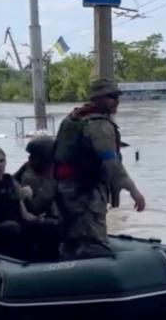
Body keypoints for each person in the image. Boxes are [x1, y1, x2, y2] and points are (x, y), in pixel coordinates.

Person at [53, 78, 146, 258]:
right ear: (98, 98)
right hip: (85, 192)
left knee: (71, 238)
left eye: (117, 96)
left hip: (65, 189)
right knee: (93, 241)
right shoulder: (99, 124)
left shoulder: (73, 118)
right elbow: (111, 163)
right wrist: (134, 190)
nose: (117, 101)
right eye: (111, 97)